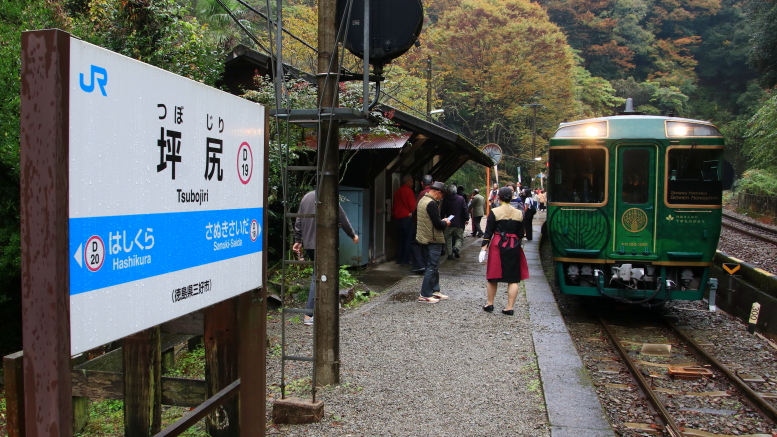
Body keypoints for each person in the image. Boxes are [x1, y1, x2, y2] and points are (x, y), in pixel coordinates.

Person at [293, 190, 359, 325]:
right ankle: (309, 314)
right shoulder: (328, 195)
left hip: (309, 243)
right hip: (323, 243)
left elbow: (299, 219)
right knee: (319, 275)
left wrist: (298, 240)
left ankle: (327, 307)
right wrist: (352, 235)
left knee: (324, 274)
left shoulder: (306, 197)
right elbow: (342, 217)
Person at [480, 187, 530, 315]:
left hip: (497, 244)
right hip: (513, 244)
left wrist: (484, 248)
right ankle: (509, 307)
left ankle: (490, 304)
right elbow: (521, 234)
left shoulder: (494, 212)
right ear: (511, 197)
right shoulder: (519, 213)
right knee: (513, 278)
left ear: (499, 197)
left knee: (493, 276)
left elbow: (488, 232)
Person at [416, 181, 451, 303]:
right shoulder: (431, 203)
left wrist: (441, 221)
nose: (441, 198)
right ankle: (425, 294)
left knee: (433, 265)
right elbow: (437, 224)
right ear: (438, 193)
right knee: (432, 266)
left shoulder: (422, 200)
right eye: (442, 195)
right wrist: (445, 222)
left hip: (424, 237)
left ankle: (435, 290)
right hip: (433, 238)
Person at [410, 174, 434, 274]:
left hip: (421, 223)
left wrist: (413, 215)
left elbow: (417, 208)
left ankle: (420, 265)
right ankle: (427, 265)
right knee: (427, 245)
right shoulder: (435, 193)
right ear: (432, 183)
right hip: (432, 223)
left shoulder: (422, 194)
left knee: (415, 243)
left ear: (422, 183)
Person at [441, 183, 469, 260]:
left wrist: (442, 219)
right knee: (459, 238)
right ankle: (456, 248)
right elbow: (465, 209)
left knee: (448, 239)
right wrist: (466, 218)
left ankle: (450, 254)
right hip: (459, 222)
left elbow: (443, 211)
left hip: (448, 222)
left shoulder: (445, 199)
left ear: (449, 191)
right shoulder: (461, 199)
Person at [392, 175, 416, 265]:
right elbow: (412, 206)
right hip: (407, 218)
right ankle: (406, 260)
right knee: (408, 240)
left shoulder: (397, 192)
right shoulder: (409, 191)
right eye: (411, 181)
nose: (412, 184)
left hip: (398, 219)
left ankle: (399, 258)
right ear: (407, 181)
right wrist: (414, 216)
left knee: (401, 239)